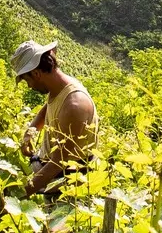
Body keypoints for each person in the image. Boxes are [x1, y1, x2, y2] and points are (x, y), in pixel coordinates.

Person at [10, 40, 97, 196]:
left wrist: (19, 196)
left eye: (27, 80)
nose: (29, 86)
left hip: (69, 192)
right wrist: (28, 135)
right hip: (54, 180)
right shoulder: (58, 89)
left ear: (36, 73)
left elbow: (58, 163)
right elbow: (47, 110)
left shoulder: (75, 104)